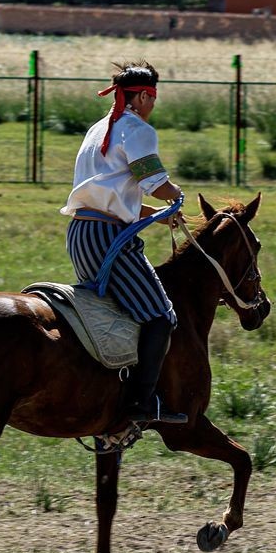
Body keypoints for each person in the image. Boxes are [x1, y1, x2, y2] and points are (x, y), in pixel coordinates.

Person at [61, 61, 188, 425]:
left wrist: (154, 212)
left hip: (82, 233)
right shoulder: (136, 128)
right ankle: (140, 404)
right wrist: (174, 195)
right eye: (153, 98)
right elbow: (152, 178)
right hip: (108, 238)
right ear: (146, 96)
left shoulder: (98, 128)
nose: (153, 105)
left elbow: (110, 191)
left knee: (125, 309)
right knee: (161, 317)